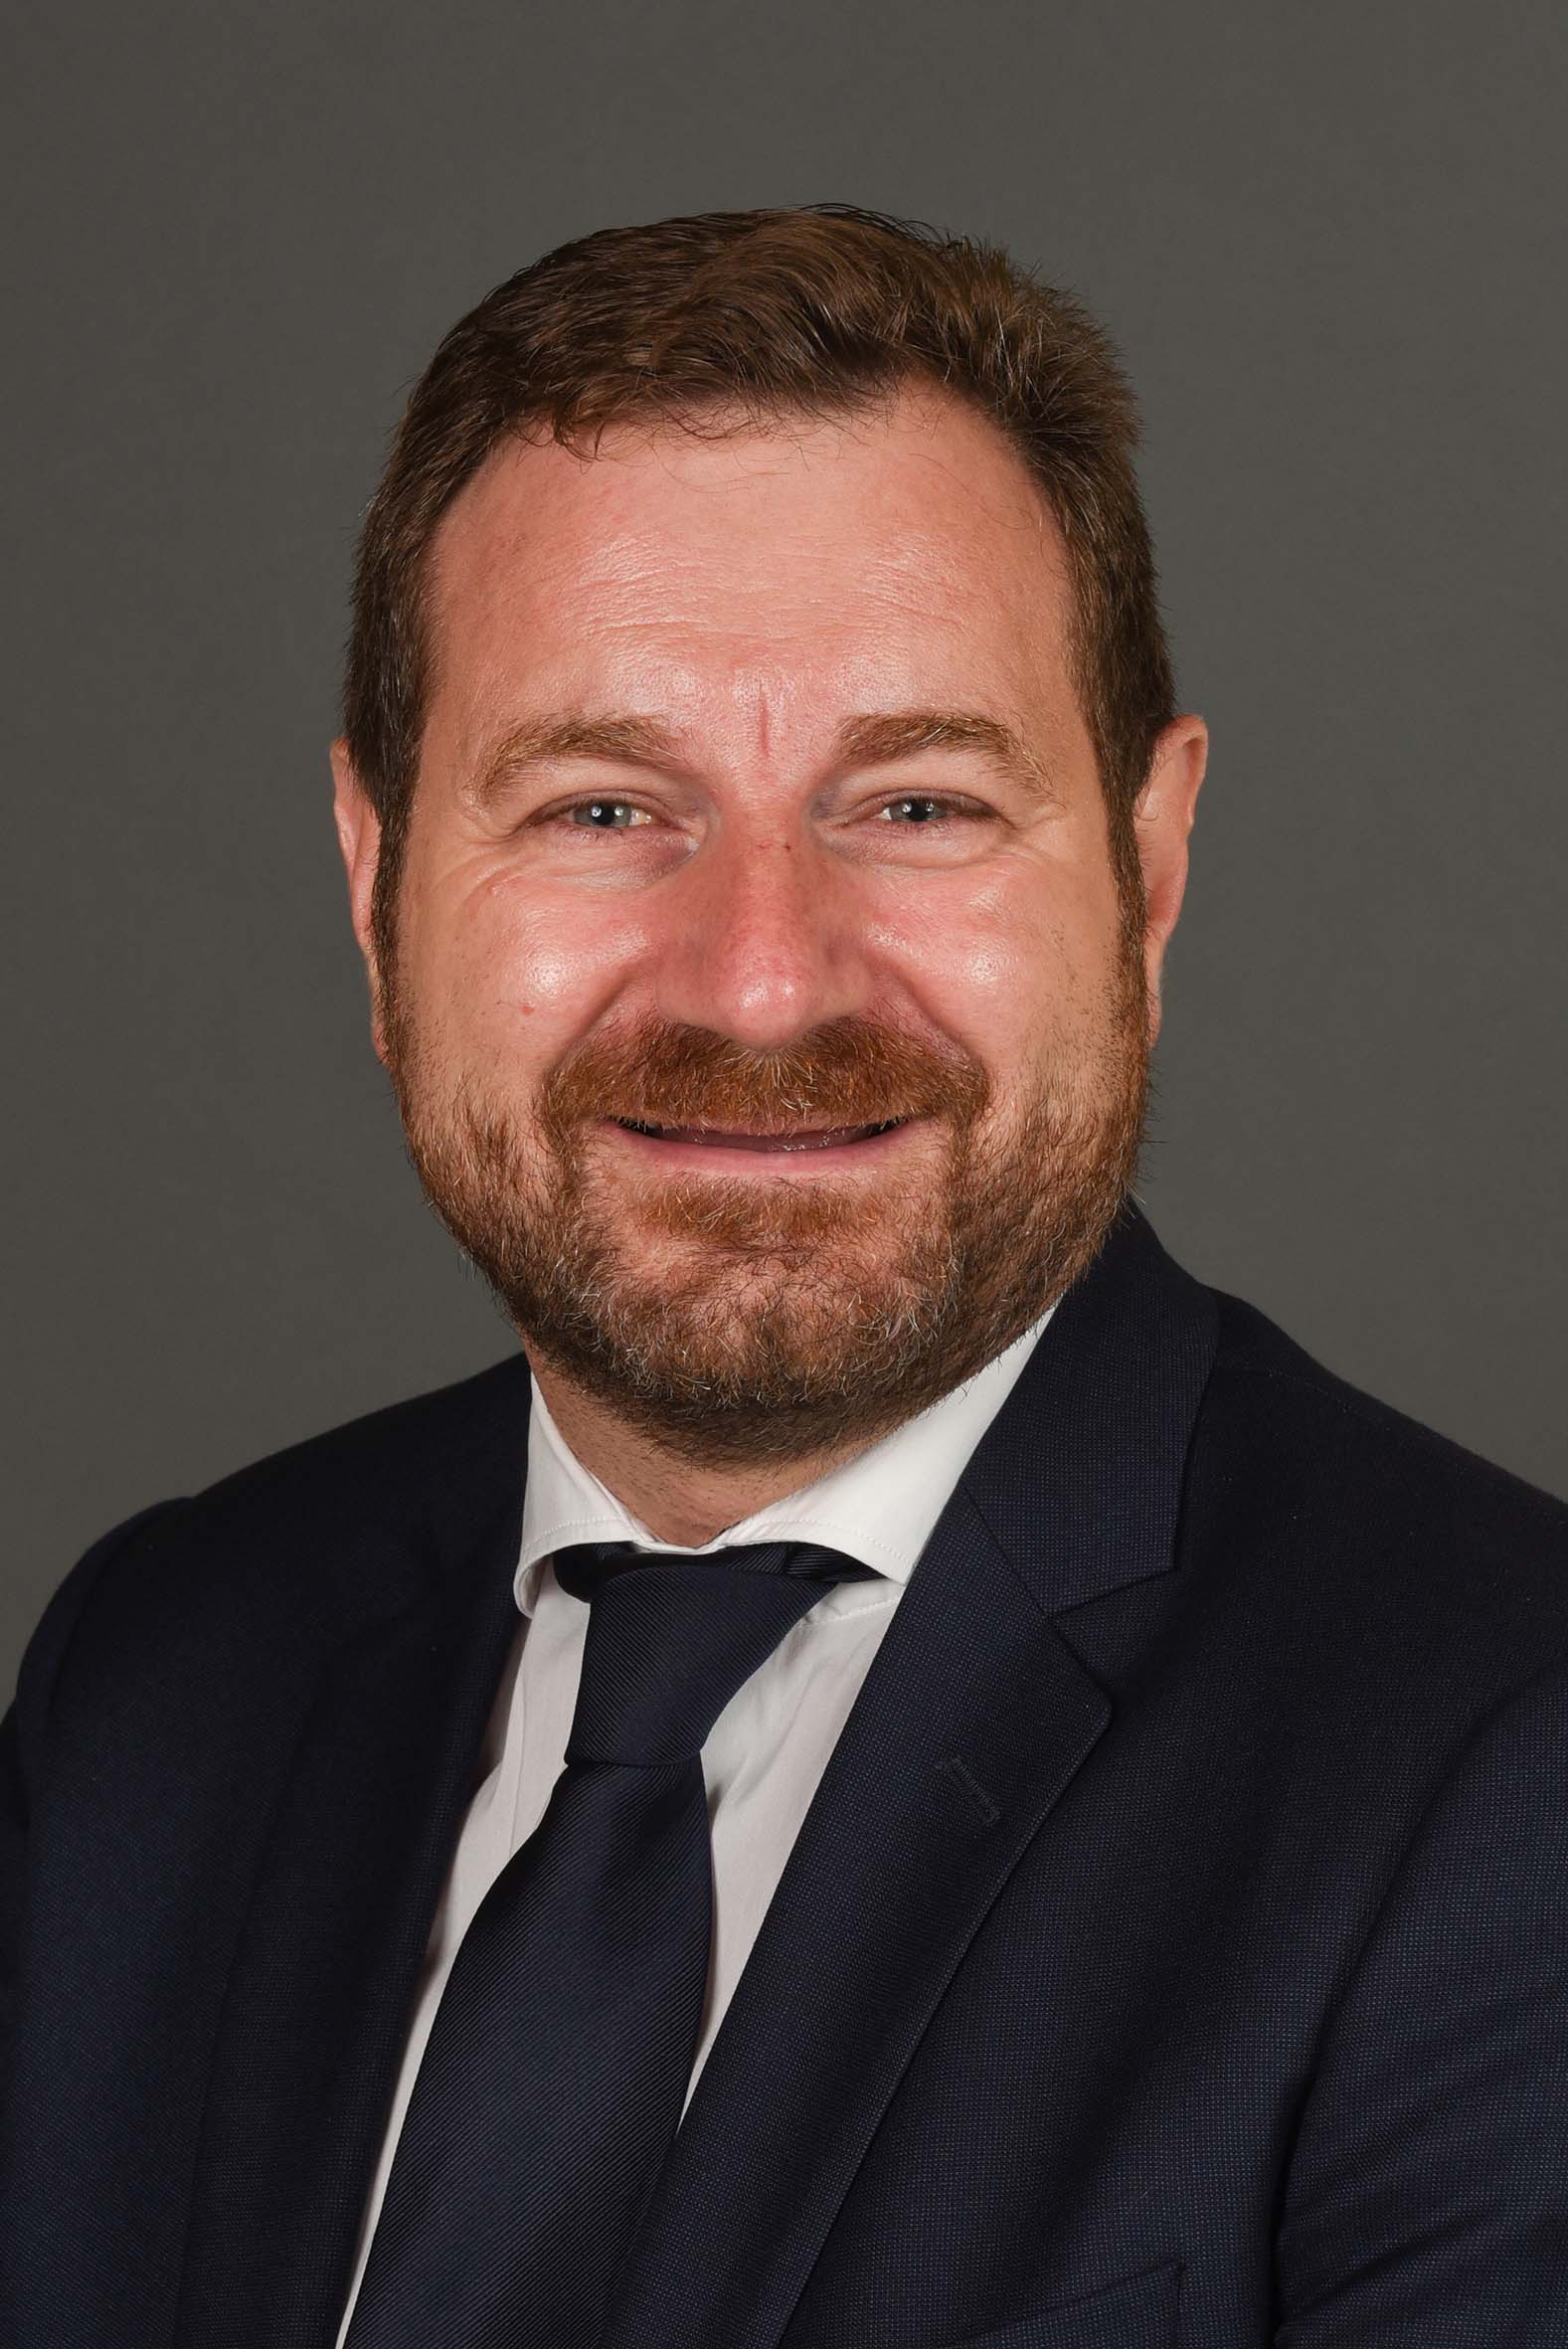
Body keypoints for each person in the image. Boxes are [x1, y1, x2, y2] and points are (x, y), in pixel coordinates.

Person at [2, 203, 1565, 2349]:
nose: (758, 979)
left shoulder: (1506, 1766)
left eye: (914, 803)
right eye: (600, 809)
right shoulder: (158, 1681)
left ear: (1148, 867)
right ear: (378, 889)